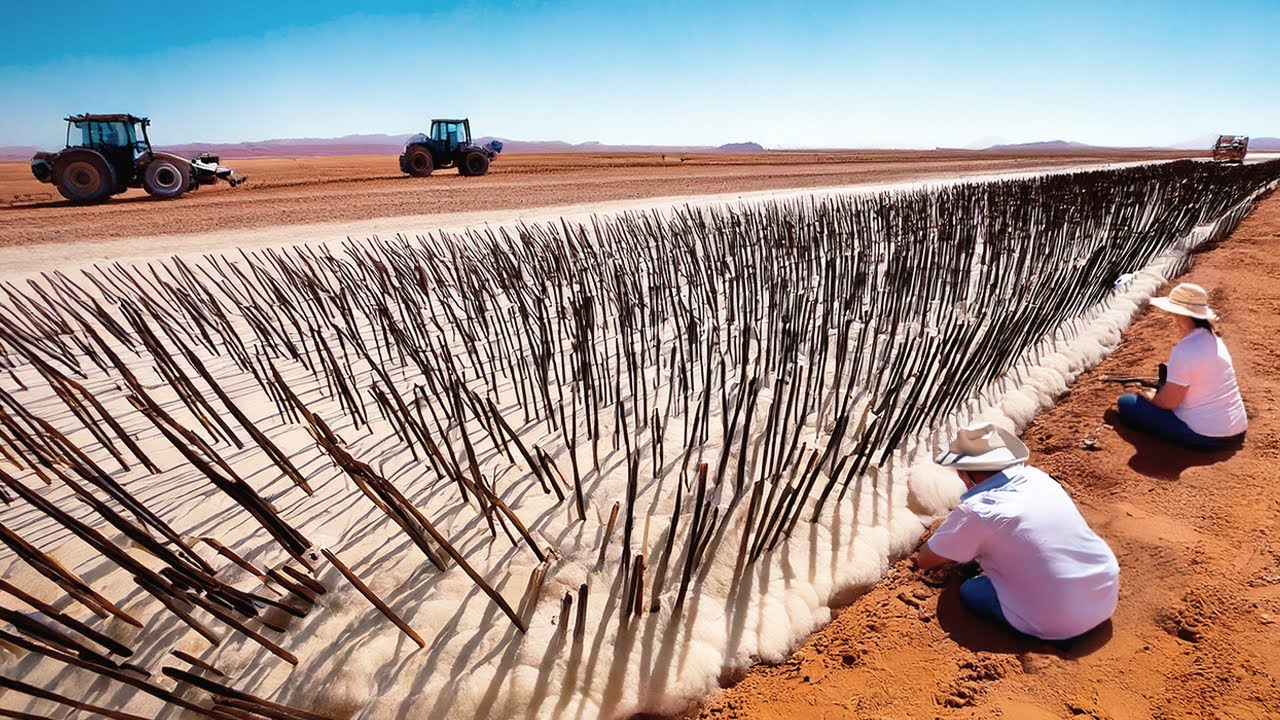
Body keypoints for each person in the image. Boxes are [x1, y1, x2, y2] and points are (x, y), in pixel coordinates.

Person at [916, 423, 1119, 641]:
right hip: (1104, 594)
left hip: (1058, 621)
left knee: (971, 590)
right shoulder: (1038, 478)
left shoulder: (978, 510)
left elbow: (926, 560)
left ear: (963, 473)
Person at [1116, 282, 1247, 450]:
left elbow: (1168, 403)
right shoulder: (1216, 340)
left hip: (1206, 435)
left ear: (1183, 315)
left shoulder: (1184, 350)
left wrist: (1147, 394)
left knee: (1127, 403)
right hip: (1236, 427)